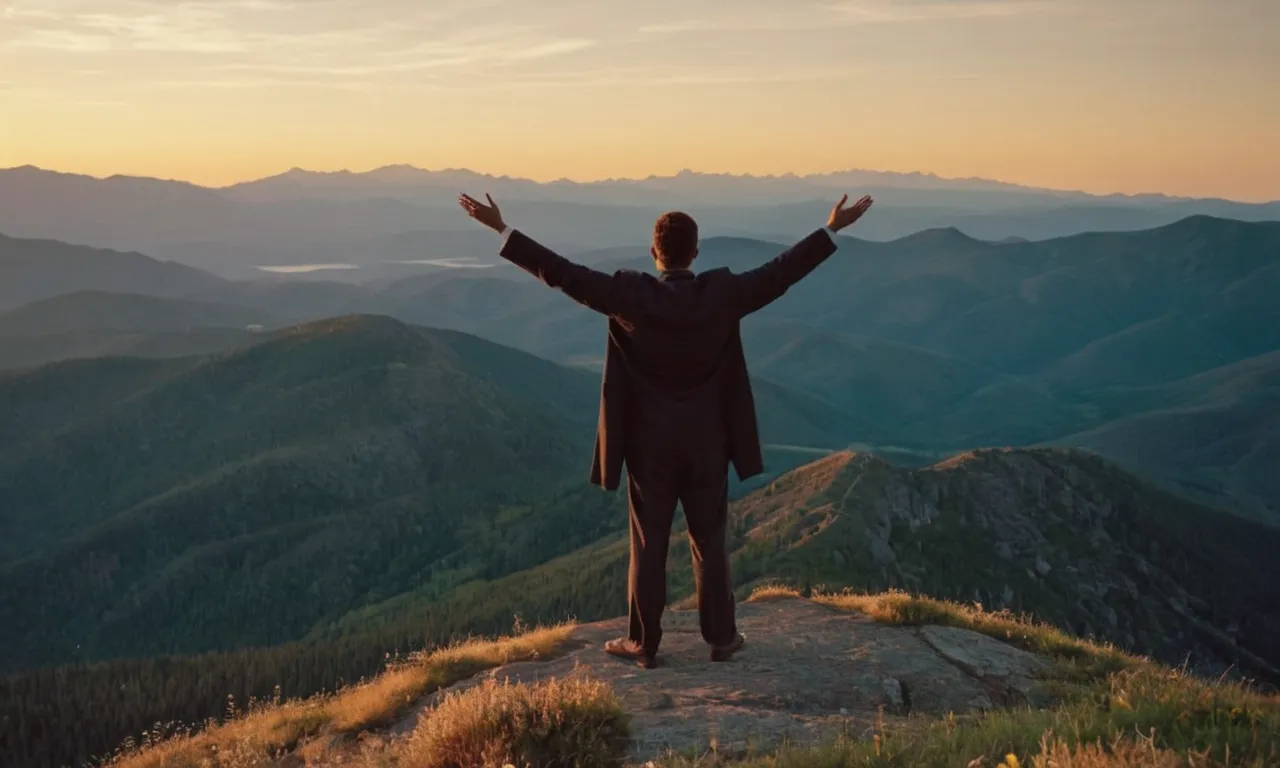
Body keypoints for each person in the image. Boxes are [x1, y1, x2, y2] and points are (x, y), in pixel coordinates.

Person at [458, 191, 874, 668]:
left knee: (648, 542)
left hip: (648, 448)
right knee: (710, 541)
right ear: (695, 254)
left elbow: (562, 273)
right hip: (707, 445)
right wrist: (831, 229)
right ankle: (721, 638)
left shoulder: (629, 296)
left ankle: (643, 644)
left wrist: (501, 229)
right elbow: (781, 273)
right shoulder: (721, 295)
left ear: (654, 252)